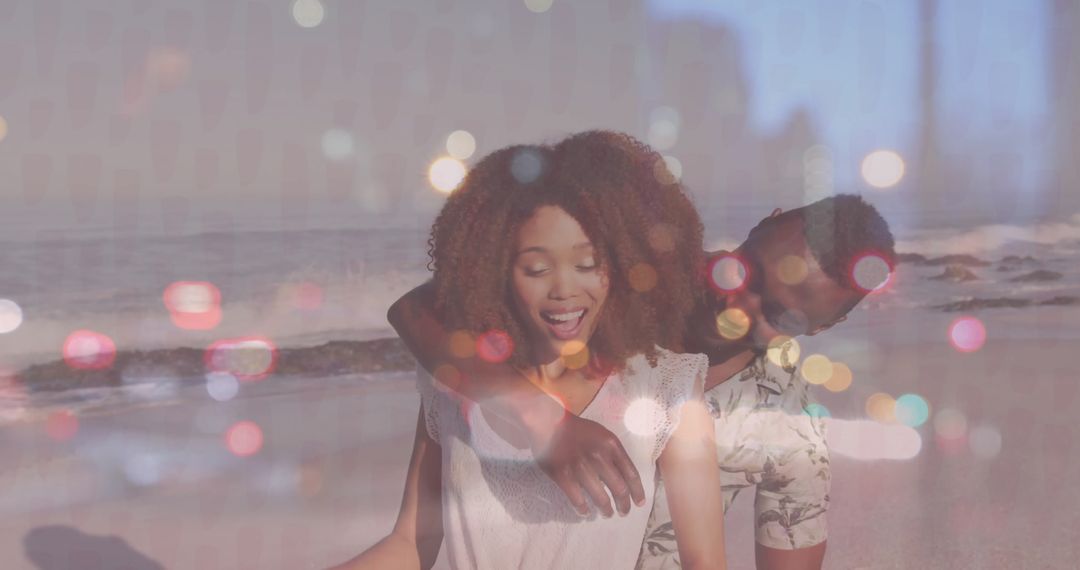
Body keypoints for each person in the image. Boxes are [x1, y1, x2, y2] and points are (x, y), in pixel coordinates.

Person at [388, 180, 896, 569]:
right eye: (749, 270)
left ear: (825, 325)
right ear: (764, 224)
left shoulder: (791, 428)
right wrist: (538, 416)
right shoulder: (618, 265)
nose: (734, 301)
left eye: (775, 314)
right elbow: (419, 311)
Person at [331, 132, 727, 570]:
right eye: (536, 269)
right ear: (494, 271)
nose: (563, 290)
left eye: (587, 264)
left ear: (622, 263)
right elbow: (410, 543)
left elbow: (705, 564)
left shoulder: (667, 388)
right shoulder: (453, 382)